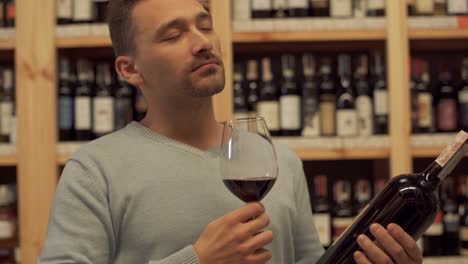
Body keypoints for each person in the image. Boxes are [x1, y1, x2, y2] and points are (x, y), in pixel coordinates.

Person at [39, 0, 423, 263]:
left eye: (204, 25)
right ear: (129, 69)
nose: (203, 42)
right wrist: (198, 260)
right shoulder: (94, 171)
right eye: (173, 35)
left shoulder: (280, 163)